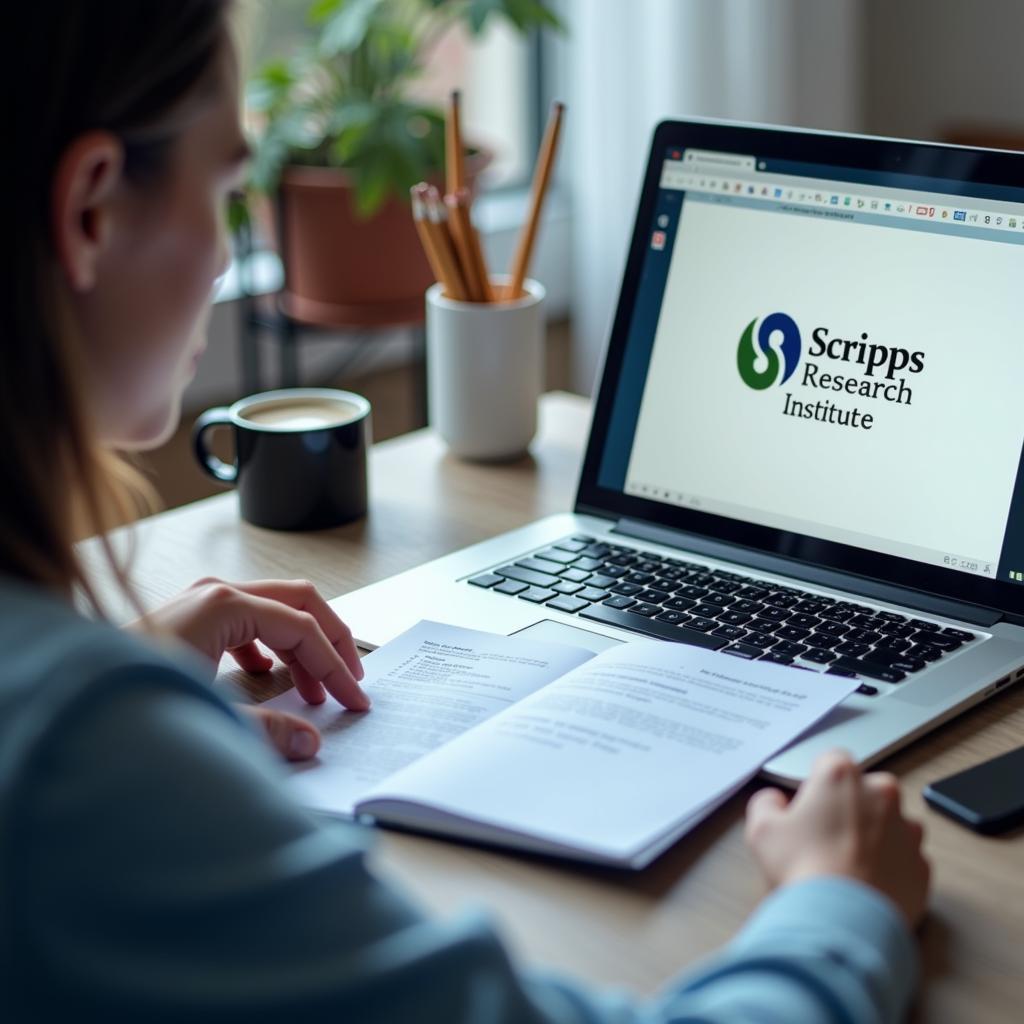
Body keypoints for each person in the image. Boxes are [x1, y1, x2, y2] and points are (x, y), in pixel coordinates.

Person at [2, 2, 929, 1020]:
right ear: (92, 211)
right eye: (227, 188)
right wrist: (836, 905)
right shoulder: (77, 755)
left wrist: (120, 690)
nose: (227, 257)